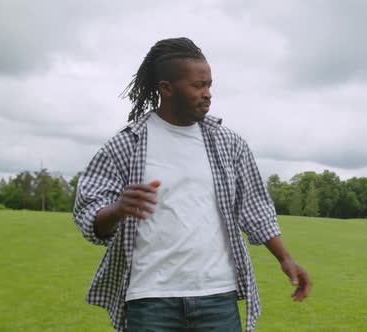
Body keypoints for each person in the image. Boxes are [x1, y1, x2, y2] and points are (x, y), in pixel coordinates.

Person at [73, 37, 312, 332]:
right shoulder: (127, 145)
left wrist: (285, 259)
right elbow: (89, 217)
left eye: (209, 85)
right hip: (151, 299)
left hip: (217, 296)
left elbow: (255, 208)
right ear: (166, 89)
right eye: (198, 86)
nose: (208, 94)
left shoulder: (229, 144)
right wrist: (118, 209)